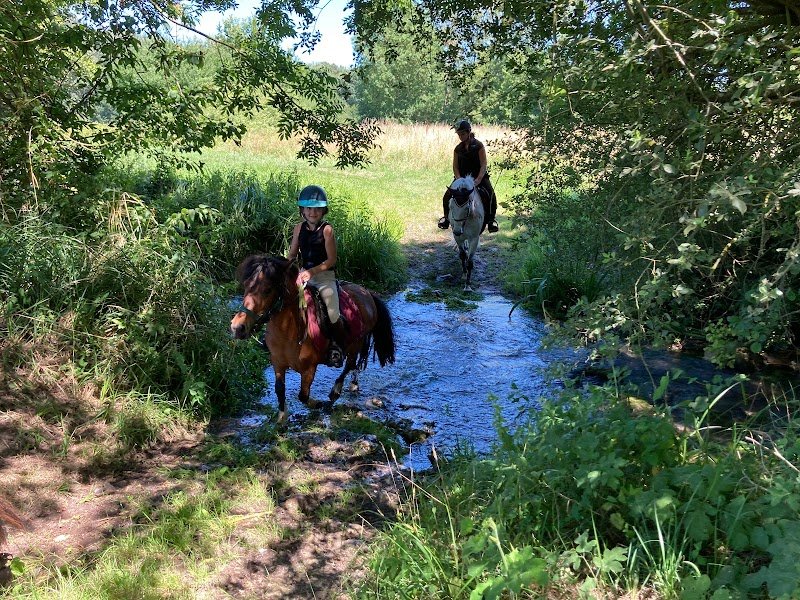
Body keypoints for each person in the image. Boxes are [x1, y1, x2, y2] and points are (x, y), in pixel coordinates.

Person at [287, 184, 347, 367]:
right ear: (303, 210)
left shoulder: (327, 230)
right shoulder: (299, 228)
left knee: (333, 312)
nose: (312, 212)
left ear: (323, 211)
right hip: (302, 274)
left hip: (323, 277)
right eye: (309, 208)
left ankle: (336, 346)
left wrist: (311, 272)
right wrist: (286, 268)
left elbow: (331, 260)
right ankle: (273, 340)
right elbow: (292, 254)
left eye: (317, 209)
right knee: (279, 299)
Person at [438, 119, 499, 233]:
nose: (460, 136)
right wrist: (459, 178)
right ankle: (446, 219)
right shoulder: (458, 149)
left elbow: (483, 164)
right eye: (459, 134)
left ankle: (491, 221)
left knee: (491, 195)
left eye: (463, 134)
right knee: (447, 195)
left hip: (478, 177)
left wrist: (479, 179)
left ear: (469, 132)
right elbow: (455, 166)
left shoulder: (478, 146)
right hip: (461, 178)